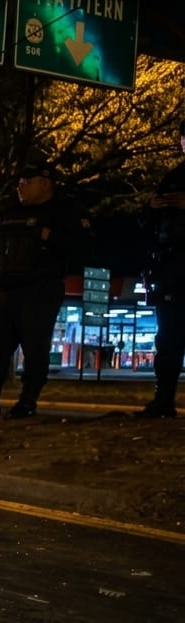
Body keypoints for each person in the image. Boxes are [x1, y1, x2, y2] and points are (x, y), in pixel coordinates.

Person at [0, 160, 92, 420]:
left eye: (25, 183)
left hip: (39, 290)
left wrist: (52, 239)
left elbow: (83, 247)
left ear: (44, 183)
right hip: (3, 291)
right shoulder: (10, 213)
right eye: (18, 184)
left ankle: (27, 401)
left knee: (34, 348)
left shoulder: (65, 212)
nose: (20, 188)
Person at [134, 119, 185, 419]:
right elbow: (145, 224)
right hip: (172, 272)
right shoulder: (172, 178)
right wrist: (151, 207)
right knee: (168, 339)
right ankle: (163, 400)